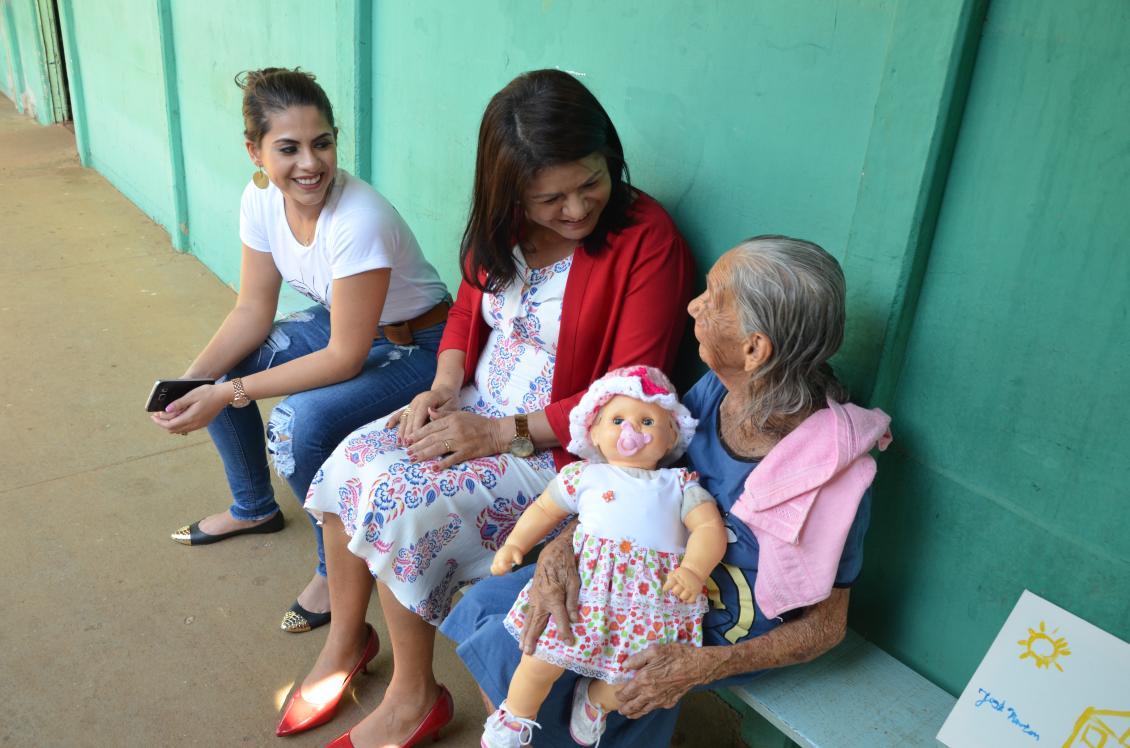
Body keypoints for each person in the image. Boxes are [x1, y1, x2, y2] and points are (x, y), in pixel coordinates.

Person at [279, 69, 696, 747]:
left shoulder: (647, 239)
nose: (574, 209)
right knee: (350, 462)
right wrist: (443, 386)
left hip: (562, 447)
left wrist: (497, 433)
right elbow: (472, 307)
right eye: (548, 198)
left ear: (610, 158)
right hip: (475, 405)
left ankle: (415, 697)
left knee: (399, 498)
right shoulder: (500, 223)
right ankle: (347, 644)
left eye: (590, 182)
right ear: (511, 191)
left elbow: (629, 391)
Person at [441, 235, 883, 747]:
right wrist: (560, 549)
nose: (695, 304)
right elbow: (633, 479)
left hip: (705, 622)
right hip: (624, 565)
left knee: (533, 647)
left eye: (713, 298)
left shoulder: (833, 472)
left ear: (754, 349)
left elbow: (827, 626)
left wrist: (707, 665)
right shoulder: (721, 389)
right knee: (500, 609)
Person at [149, 67, 449, 634]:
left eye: (323, 143)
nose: (310, 164)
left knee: (296, 424)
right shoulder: (261, 198)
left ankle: (331, 569)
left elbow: (344, 358)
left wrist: (226, 394)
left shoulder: (358, 218)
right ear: (255, 153)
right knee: (224, 363)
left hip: (421, 344)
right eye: (288, 148)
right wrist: (191, 384)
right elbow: (251, 311)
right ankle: (253, 507)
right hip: (355, 329)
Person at [482, 365, 727, 747]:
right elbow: (545, 510)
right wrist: (516, 543)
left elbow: (709, 529)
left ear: (671, 436)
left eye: (648, 420)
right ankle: (515, 715)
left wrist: (694, 569)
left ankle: (596, 701)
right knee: (541, 658)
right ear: (594, 431)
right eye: (617, 419)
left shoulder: (679, 485)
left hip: (650, 604)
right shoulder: (585, 476)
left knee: (633, 677)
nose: (632, 430)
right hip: (585, 596)